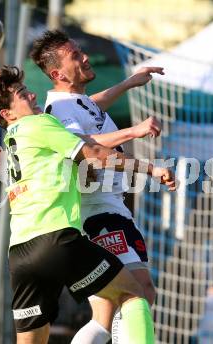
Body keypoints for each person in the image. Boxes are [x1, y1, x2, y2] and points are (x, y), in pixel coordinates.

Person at [0, 66, 176, 344]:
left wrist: (127, 84)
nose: (32, 95)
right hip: (57, 239)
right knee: (134, 293)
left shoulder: (11, 139)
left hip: (21, 254)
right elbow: (92, 152)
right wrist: (150, 169)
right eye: (22, 94)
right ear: (7, 113)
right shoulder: (39, 124)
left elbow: (88, 110)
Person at [30, 30, 165, 343]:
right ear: (57, 73)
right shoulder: (61, 111)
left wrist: (129, 82)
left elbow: (92, 105)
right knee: (138, 292)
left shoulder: (74, 103)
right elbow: (84, 145)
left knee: (107, 311)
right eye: (75, 56)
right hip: (98, 211)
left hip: (108, 208)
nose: (85, 57)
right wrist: (134, 131)